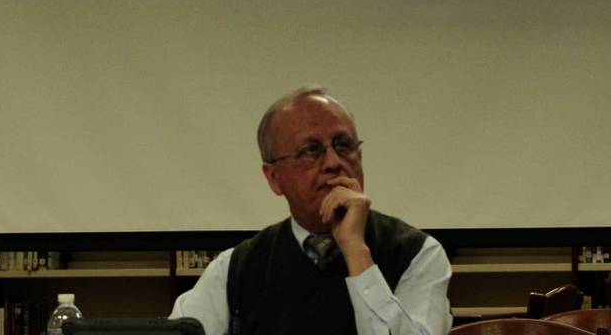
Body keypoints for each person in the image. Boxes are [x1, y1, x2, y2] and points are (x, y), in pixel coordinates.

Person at [171, 86, 451, 335]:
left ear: (360, 157)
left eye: (343, 146)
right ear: (274, 178)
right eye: (310, 150)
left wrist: (355, 248)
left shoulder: (418, 254)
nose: (333, 162)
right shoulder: (237, 268)